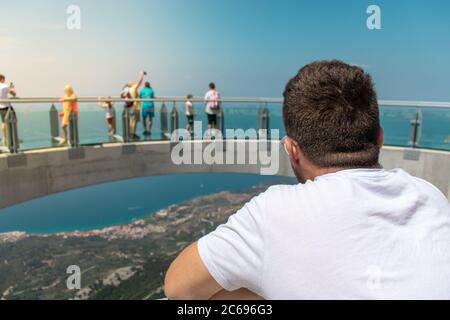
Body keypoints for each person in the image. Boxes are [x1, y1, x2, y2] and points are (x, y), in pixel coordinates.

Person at [165, 60, 450, 300]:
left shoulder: (273, 213)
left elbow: (178, 288)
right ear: (380, 138)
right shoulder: (431, 196)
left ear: (291, 151)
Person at [122, 71, 145, 139]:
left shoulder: (127, 90)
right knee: (134, 121)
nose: (133, 82)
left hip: (129, 107)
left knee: (131, 121)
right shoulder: (133, 88)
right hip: (135, 107)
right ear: (130, 85)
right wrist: (142, 74)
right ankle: (133, 134)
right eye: (131, 82)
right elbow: (140, 81)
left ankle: (130, 133)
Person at [0, 74, 17, 142]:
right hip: (6, 106)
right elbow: (14, 94)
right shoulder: (4, 86)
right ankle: (10, 139)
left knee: (4, 121)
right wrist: (13, 88)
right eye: (4, 79)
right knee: (12, 120)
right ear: (2, 79)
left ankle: (5, 138)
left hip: (0, 106)